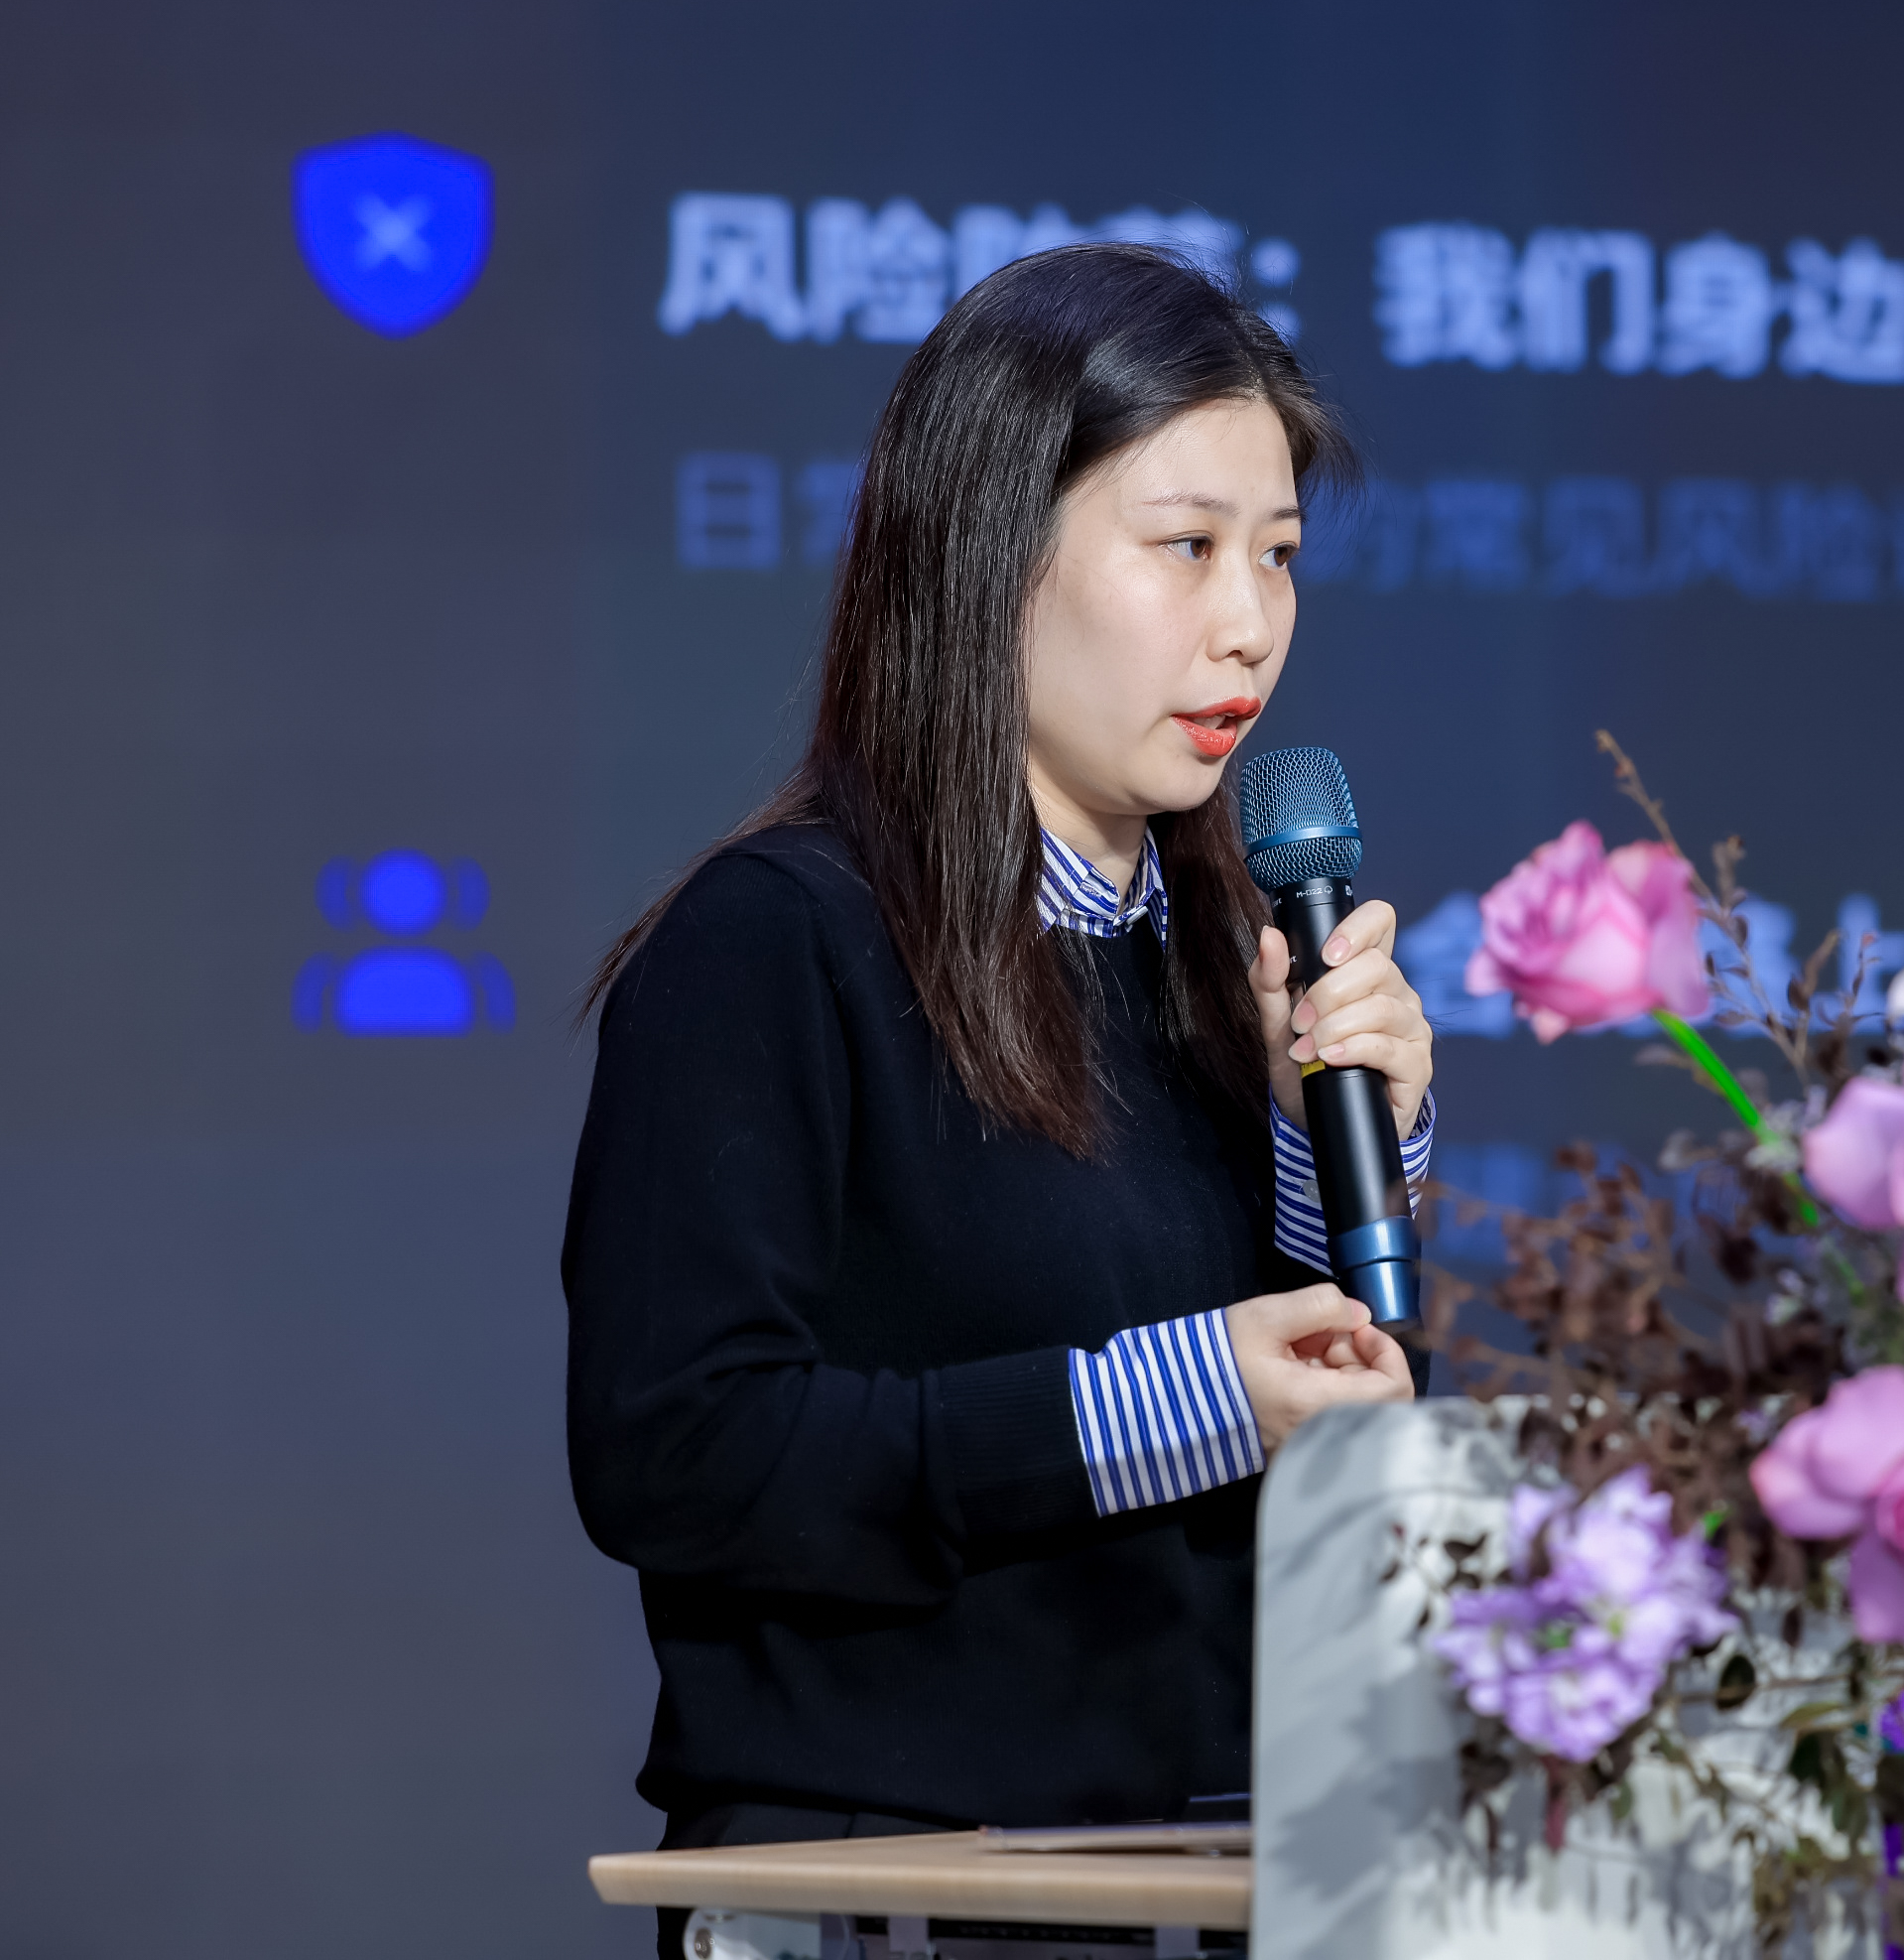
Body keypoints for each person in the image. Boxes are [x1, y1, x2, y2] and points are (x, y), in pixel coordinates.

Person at [561, 245, 1430, 1954]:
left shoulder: (1223, 974)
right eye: (1186, 546)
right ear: (990, 550)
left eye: (1277, 555)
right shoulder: (779, 938)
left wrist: (1330, 1146)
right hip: (883, 1889)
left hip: (1204, 1881)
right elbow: (677, 1452)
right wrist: (1179, 1395)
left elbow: (1330, 1509)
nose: (1249, 623)